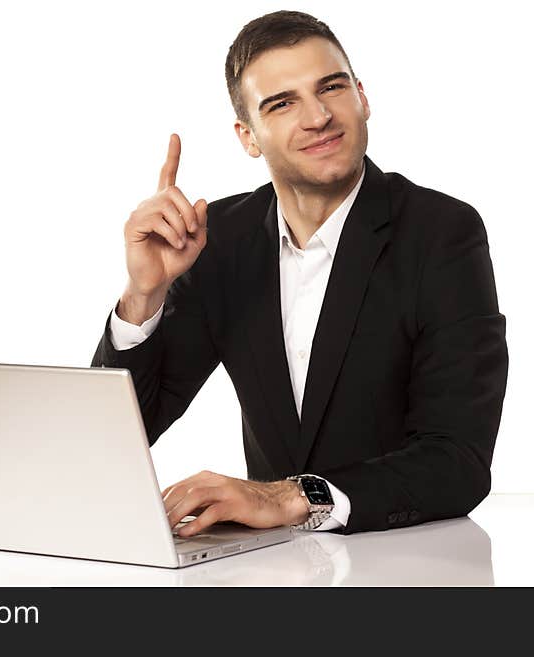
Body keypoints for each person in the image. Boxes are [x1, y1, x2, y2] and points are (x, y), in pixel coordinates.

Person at [90, 10, 508, 536]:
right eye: (282, 103)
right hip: (274, 568)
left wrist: (292, 496)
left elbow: (458, 460)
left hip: (406, 560)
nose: (317, 117)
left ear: (362, 98)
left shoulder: (442, 232)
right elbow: (113, 442)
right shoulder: (220, 239)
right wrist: (143, 295)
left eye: (331, 88)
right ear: (248, 136)